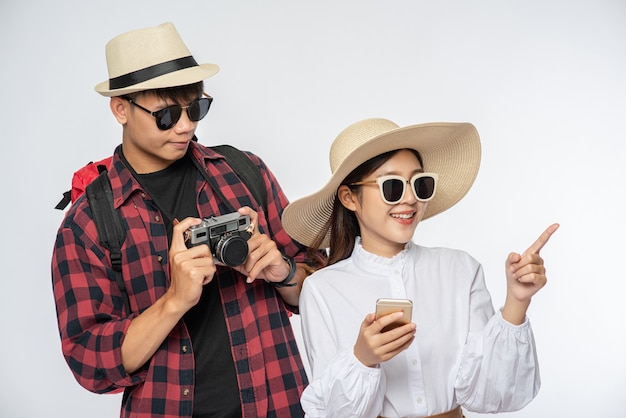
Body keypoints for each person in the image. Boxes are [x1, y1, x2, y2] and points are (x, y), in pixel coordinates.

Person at [51, 22, 310, 418]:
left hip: (279, 404)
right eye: (166, 114)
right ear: (121, 108)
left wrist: (283, 271)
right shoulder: (89, 222)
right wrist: (173, 302)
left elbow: (323, 288)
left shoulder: (244, 172)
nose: (186, 125)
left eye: (196, 108)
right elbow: (89, 361)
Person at [281, 118, 559, 418]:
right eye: (392, 186)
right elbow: (331, 413)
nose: (411, 198)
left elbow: (493, 396)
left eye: (420, 183)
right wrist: (362, 358)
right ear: (350, 198)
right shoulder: (323, 289)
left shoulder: (460, 269)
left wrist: (517, 302)